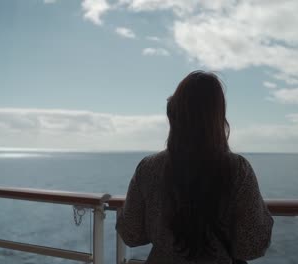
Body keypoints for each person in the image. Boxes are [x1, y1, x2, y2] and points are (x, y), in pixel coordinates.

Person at [116, 71, 273, 263]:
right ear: (217, 116)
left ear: (175, 113)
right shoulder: (238, 170)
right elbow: (251, 246)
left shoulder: (148, 168)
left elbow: (131, 234)